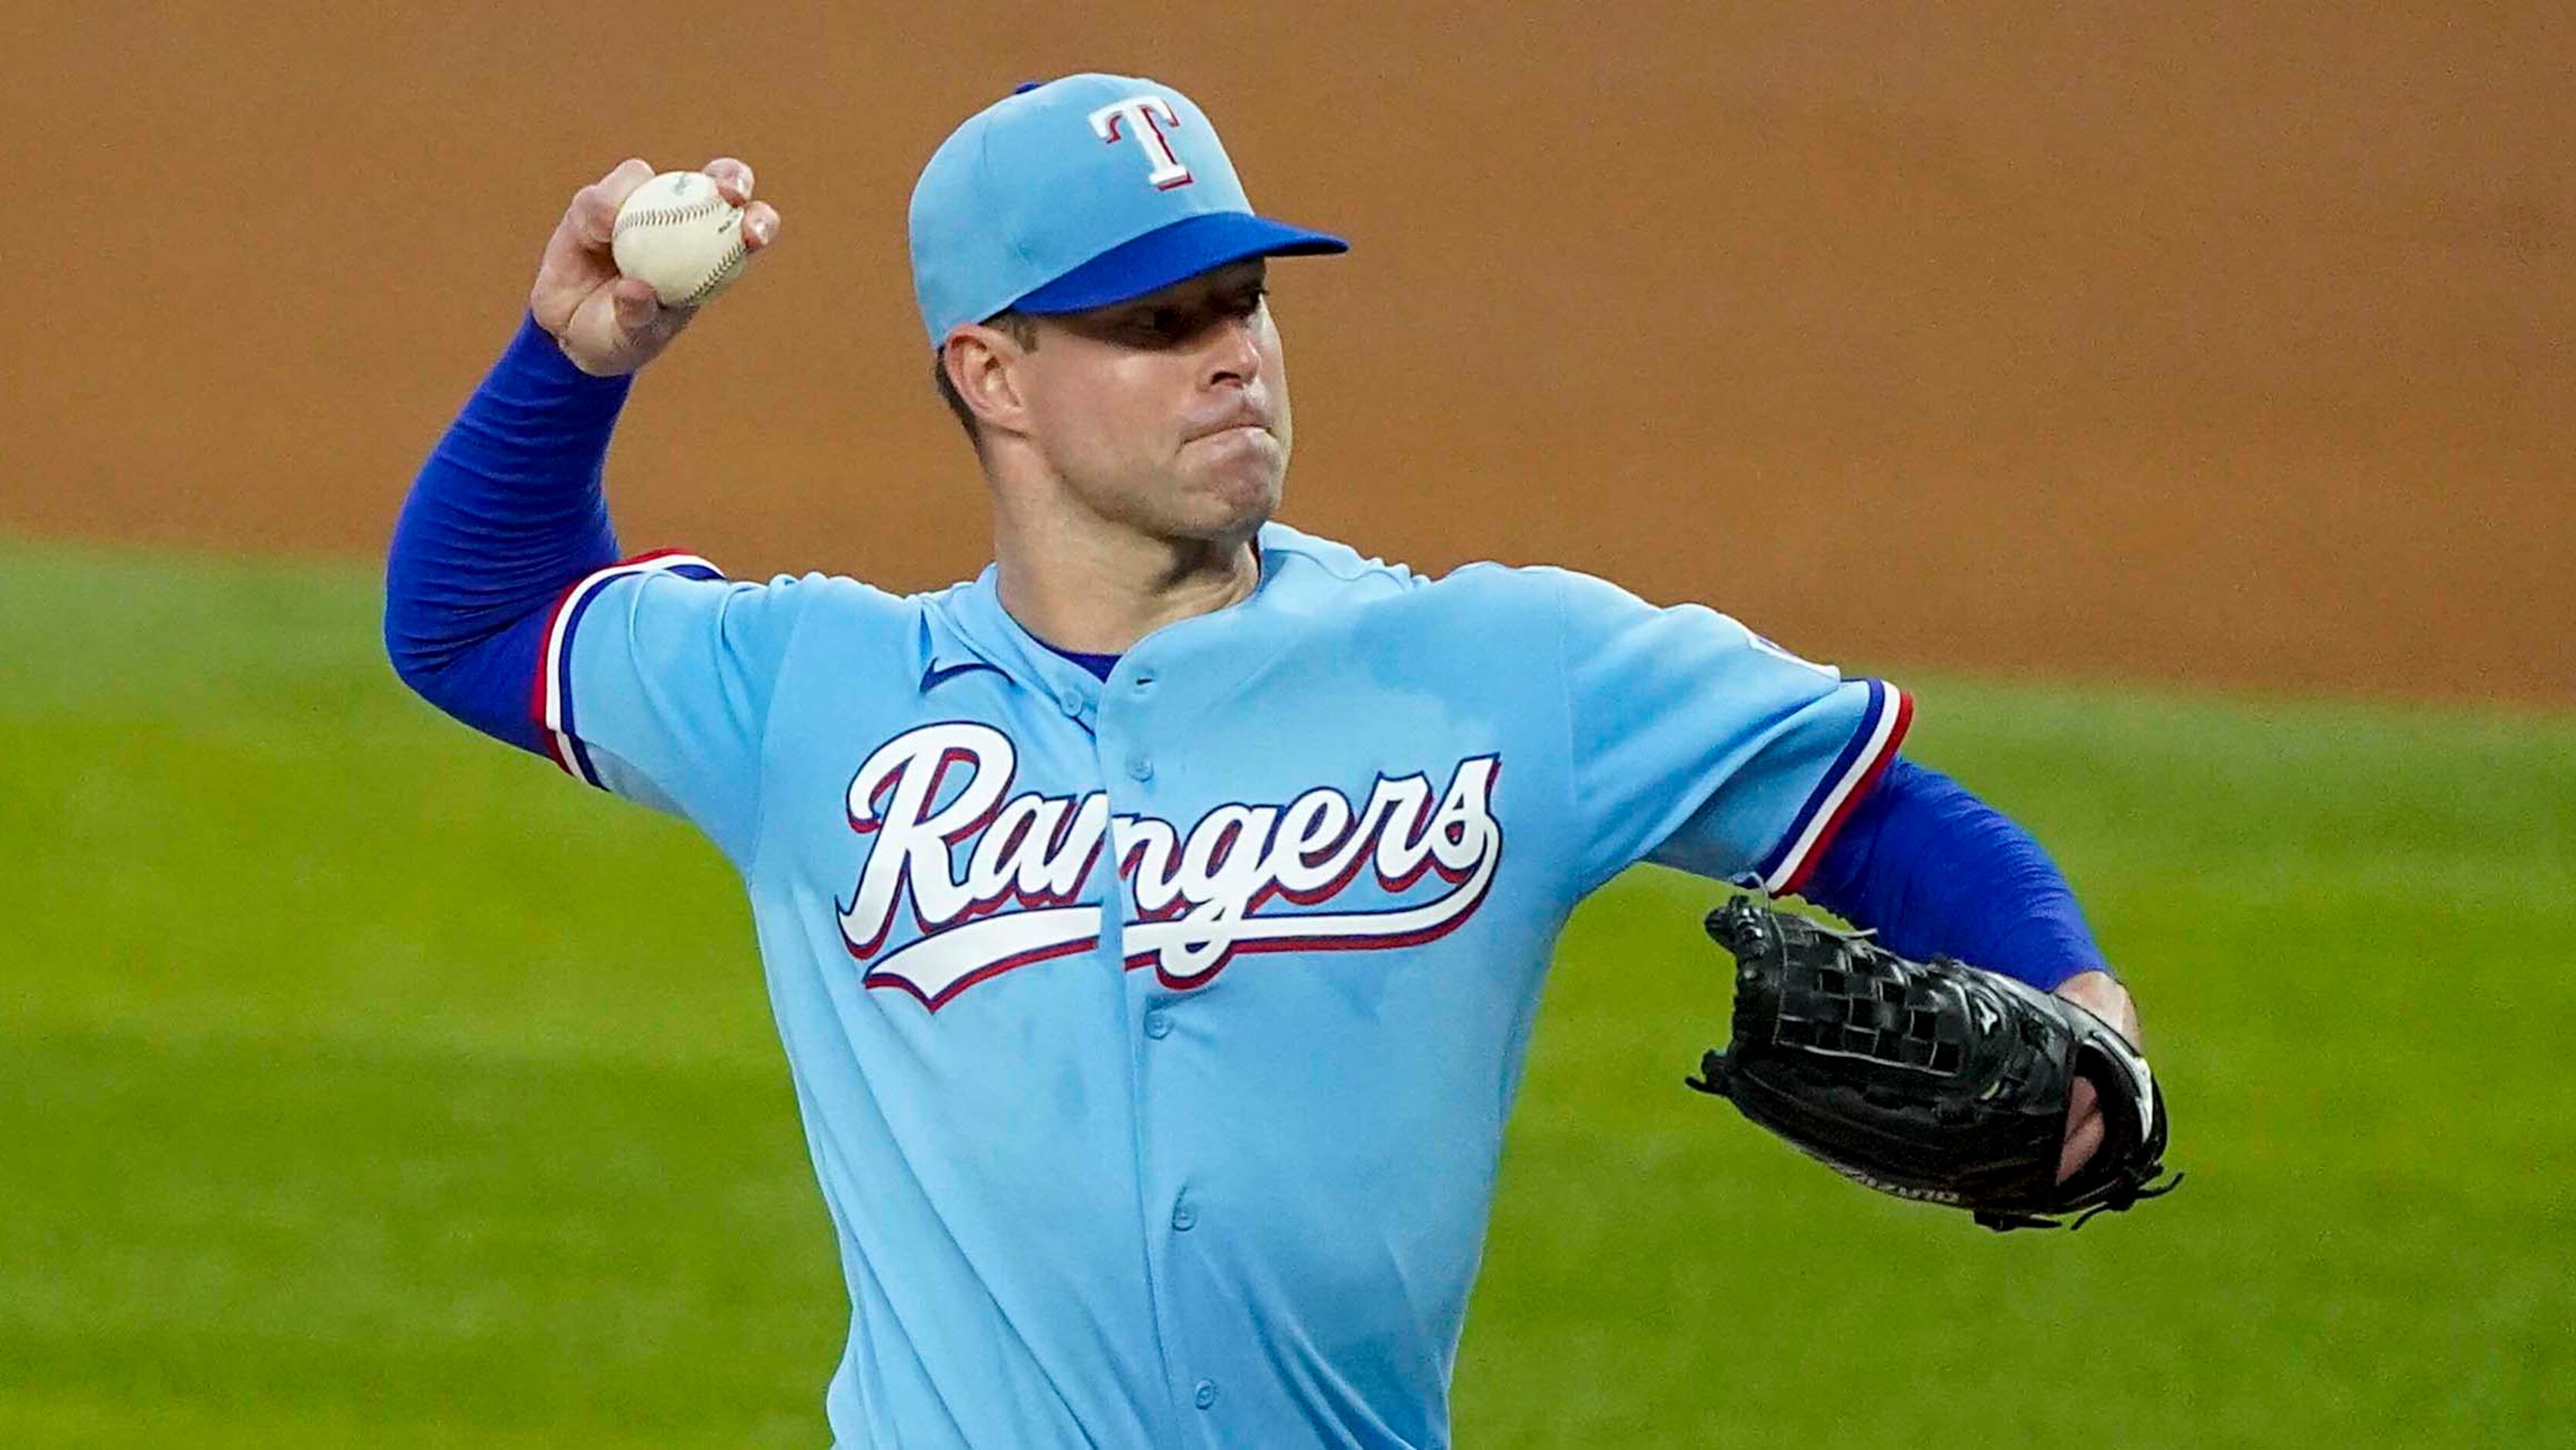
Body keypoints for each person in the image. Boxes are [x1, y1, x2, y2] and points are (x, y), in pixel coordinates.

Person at [387, 73, 2143, 1449]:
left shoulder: (1500, 667)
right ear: (992, 372)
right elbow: (472, 622)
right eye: (1156, 324)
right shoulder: (816, 697)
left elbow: (1873, 803)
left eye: (1243, 301)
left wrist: (2082, 1012)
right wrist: (573, 362)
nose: (1231, 353)